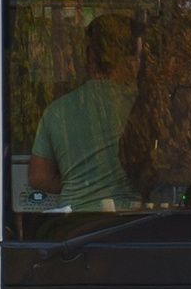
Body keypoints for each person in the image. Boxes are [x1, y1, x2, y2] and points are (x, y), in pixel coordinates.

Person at [30, 13, 138, 211]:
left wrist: (80, 185)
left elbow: (39, 177)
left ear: (88, 58)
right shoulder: (140, 106)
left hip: (74, 223)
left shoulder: (56, 111)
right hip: (131, 220)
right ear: (127, 59)